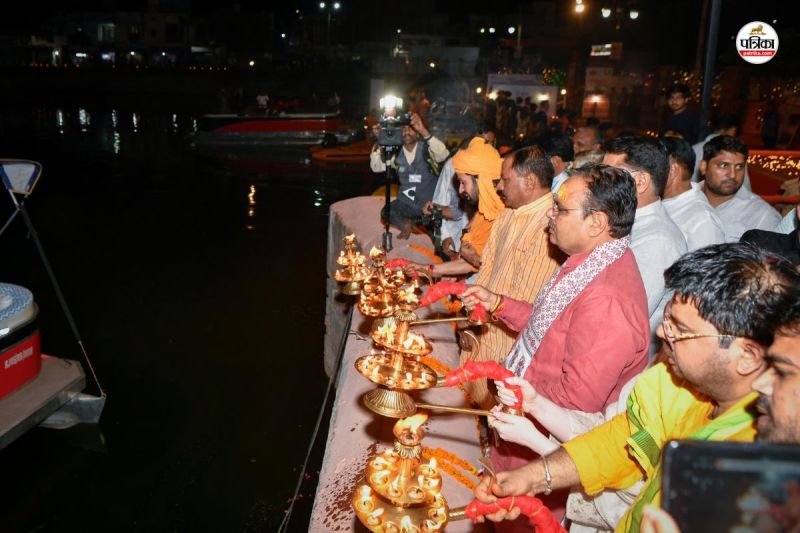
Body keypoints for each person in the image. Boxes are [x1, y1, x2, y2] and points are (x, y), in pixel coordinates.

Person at [473, 243, 800, 533]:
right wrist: (532, 476)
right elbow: (619, 442)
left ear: (746, 356)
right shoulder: (676, 383)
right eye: (668, 320)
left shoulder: (760, 457)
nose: (662, 334)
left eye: (680, 330)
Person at [462, 164, 650, 527]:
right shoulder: (588, 263)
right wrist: (498, 303)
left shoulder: (607, 298)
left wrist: (510, 383)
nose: (550, 214)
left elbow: (577, 403)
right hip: (519, 436)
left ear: (596, 223)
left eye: (561, 209)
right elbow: (551, 324)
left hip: (540, 462)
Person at [454, 146, 563, 408]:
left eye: (505, 179)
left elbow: (526, 302)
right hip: (481, 335)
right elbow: (486, 271)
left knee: (499, 425)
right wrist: (468, 316)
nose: (499, 187)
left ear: (529, 181)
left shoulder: (548, 224)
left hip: (507, 349)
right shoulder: (507, 214)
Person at [602, 136, 687, 356]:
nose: (599, 184)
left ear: (640, 182)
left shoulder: (658, 239)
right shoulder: (628, 222)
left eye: (609, 176)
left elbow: (623, 318)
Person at [404, 136, 504, 277]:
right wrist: (425, 270)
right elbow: (468, 263)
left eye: (463, 183)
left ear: (480, 179)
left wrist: (474, 259)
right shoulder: (484, 211)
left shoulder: (505, 212)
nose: (461, 190)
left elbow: (500, 267)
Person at [369, 112, 450, 239]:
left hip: (429, 205)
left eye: (411, 129)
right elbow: (376, 167)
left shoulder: (427, 149)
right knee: (386, 212)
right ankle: (408, 225)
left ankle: (415, 224)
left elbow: (443, 155)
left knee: (434, 225)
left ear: (417, 132)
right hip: (406, 204)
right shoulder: (395, 152)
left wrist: (423, 130)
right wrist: (381, 140)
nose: (407, 132)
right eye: (404, 129)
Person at [698, 135, 781, 242]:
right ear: (704, 167)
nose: (732, 175)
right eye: (724, 165)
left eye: (739, 167)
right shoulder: (683, 198)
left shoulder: (762, 216)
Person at [660, 136, 725, 251]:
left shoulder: (703, 221)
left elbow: (707, 267)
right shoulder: (660, 202)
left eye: (652, 167)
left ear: (673, 170)